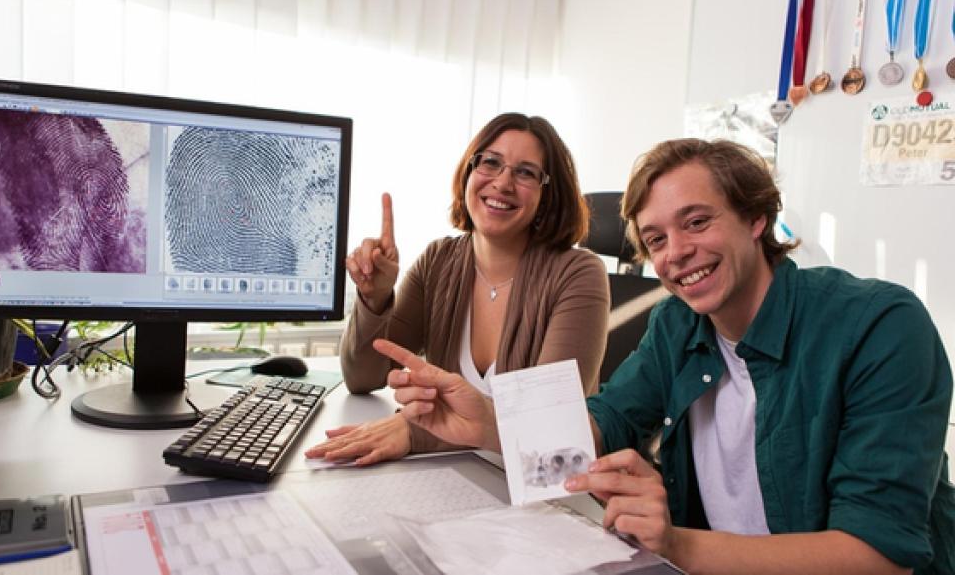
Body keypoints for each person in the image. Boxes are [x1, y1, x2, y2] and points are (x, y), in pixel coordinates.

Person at [370, 138, 955, 574]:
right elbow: (606, 421)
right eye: (655, 239)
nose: (675, 254)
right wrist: (488, 422)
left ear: (757, 217)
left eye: (696, 222)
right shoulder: (678, 323)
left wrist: (674, 543)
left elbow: (876, 557)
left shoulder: (879, 326)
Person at [304, 113, 610, 466]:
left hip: (538, 485)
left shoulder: (578, 273)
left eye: (526, 172)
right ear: (469, 171)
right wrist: (374, 298)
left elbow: (548, 425)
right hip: (451, 473)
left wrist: (414, 432)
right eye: (491, 162)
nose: (503, 183)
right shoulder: (437, 261)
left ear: (547, 195)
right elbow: (362, 379)